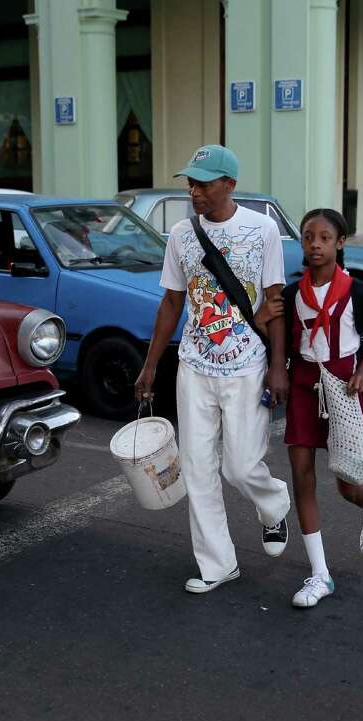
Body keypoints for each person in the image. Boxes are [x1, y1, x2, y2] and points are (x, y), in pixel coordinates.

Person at [133, 144, 292, 594]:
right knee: (198, 467)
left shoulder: (262, 230)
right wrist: (150, 365)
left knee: (240, 466)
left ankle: (273, 502)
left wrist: (277, 367)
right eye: (191, 182)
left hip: (246, 365)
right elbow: (171, 301)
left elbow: (275, 303)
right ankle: (217, 563)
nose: (194, 190)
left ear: (229, 185)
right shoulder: (182, 234)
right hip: (194, 365)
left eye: (203, 183)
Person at [273, 208, 363, 608]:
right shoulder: (292, 294)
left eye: (324, 237)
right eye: (308, 237)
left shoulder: (356, 289)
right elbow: (280, 340)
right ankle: (319, 574)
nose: (316, 244)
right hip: (305, 386)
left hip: (344, 387)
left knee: (345, 482)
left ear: (340, 243)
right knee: (301, 476)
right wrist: (280, 373)